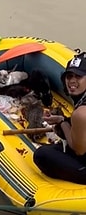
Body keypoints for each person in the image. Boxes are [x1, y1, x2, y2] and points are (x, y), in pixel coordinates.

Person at [33, 52, 86, 184]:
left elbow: (79, 151)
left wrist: (62, 122)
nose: (72, 81)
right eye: (69, 76)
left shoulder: (80, 113)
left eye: (78, 76)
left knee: (42, 155)